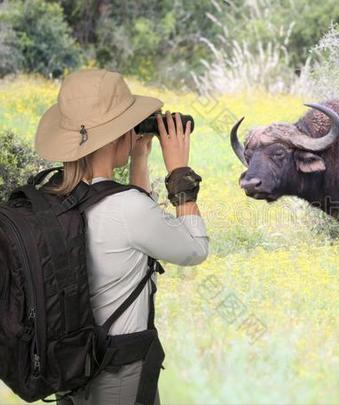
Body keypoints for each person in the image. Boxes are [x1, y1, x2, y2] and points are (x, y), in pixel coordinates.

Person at [33, 69, 209, 404]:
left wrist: (139, 155)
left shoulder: (53, 198)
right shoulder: (126, 209)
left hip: (71, 366)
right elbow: (194, 248)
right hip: (119, 370)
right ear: (117, 137)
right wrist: (179, 175)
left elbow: (133, 219)